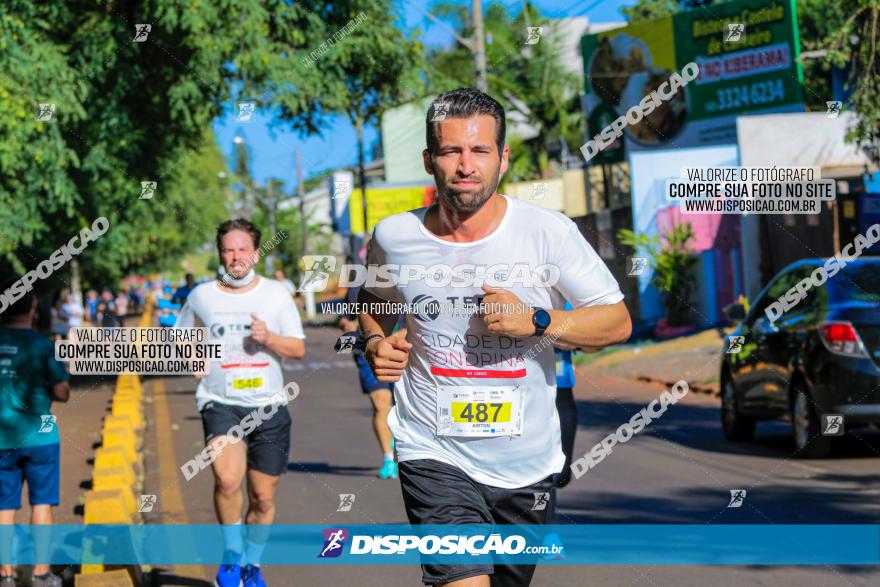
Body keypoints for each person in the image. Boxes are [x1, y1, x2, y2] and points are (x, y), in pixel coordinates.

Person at [359, 88, 631, 587]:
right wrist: (377, 343)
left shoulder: (547, 233)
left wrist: (539, 320)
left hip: (526, 467)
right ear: (429, 160)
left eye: (480, 150)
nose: (466, 165)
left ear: (503, 158)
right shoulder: (393, 237)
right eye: (450, 151)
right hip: (431, 449)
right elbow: (374, 306)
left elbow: (615, 322)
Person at [176, 219, 306, 587]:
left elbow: (297, 348)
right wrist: (192, 358)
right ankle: (232, 554)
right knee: (228, 479)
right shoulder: (202, 295)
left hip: (269, 406)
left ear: (255, 252)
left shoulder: (276, 294)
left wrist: (268, 338)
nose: (236, 256)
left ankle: (252, 563)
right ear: (220, 253)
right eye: (229, 249)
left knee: (262, 498)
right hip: (221, 401)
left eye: (243, 249)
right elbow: (182, 338)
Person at [0, 283, 70, 587]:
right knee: (41, 503)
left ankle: (7, 575)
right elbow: (63, 393)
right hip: (40, 439)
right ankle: (41, 574)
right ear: (32, 308)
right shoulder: (43, 346)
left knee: (4, 508)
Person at [338, 282, 397, 479]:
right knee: (382, 406)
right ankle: (389, 460)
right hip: (368, 353)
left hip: (404, 350)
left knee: (401, 409)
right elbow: (344, 320)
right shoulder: (356, 288)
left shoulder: (407, 275)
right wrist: (352, 325)